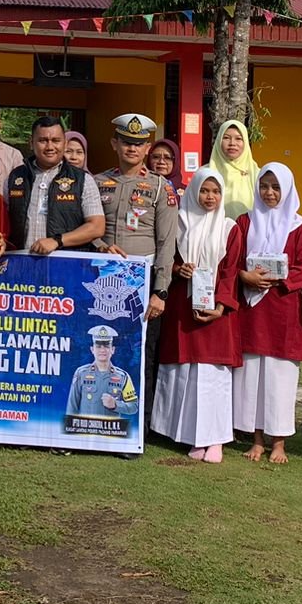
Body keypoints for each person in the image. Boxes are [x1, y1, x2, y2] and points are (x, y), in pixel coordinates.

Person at [152, 168, 244, 462]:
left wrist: (221, 306)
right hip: (183, 307)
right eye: (204, 190)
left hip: (215, 311)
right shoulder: (179, 222)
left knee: (211, 375)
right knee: (184, 372)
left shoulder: (229, 228)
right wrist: (180, 270)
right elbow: (167, 259)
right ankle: (188, 435)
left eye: (216, 192)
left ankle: (213, 439)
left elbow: (231, 272)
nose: (210, 197)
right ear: (194, 192)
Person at [94, 114, 178, 409]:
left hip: (141, 286)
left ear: (147, 148)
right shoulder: (97, 182)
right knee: (101, 347)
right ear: (114, 143)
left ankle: (139, 426)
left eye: (139, 143)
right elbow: (86, 227)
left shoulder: (160, 187)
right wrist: (101, 246)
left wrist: (161, 291)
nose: (132, 148)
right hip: (101, 281)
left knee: (141, 352)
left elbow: (168, 243)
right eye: (126, 142)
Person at [231, 163, 302, 464]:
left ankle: (279, 441)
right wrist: (244, 276)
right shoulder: (245, 221)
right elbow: (234, 259)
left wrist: (282, 280)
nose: (269, 193)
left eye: (276, 187)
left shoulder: (300, 227)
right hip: (251, 311)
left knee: (280, 378)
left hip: (282, 310)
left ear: (288, 190)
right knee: (251, 377)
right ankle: (256, 439)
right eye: (264, 186)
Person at [4, 118, 106, 256]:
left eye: (56, 140)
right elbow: (3, 223)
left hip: (64, 265)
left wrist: (57, 241)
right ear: (31, 143)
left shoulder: (83, 180)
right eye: (43, 140)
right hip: (22, 265)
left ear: (65, 144)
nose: (50, 147)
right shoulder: (15, 177)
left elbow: (96, 227)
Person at [66, 326, 138, 419]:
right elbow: (72, 407)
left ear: (113, 350)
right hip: (86, 431)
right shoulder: (81, 373)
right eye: (98, 346)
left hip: (111, 432)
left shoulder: (123, 377)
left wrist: (115, 405)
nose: (102, 350)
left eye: (107, 346)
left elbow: (134, 406)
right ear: (92, 349)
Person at [208, 119, 260, 219]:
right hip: (214, 233)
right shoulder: (204, 173)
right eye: (226, 138)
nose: (232, 143)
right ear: (219, 140)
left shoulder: (257, 175)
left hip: (247, 232)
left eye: (238, 139)